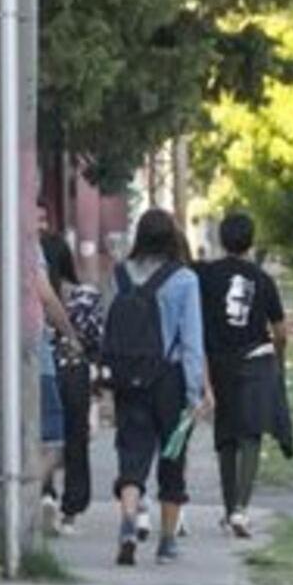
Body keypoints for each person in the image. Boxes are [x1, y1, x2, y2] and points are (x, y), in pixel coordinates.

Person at [104, 209, 206, 566]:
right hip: (170, 380)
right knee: (172, 457)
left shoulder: (118, 274)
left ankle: (129, 524)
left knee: (131, 452)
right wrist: (196, 394)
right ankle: (166, 542)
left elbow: (108, 325)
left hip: (128, 378)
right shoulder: (184, 280)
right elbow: (192, 342)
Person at [197, 213, 291, 539]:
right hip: (255, 360)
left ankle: (227, 509)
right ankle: (240, 509)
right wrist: (278, 358)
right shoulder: (262, 279)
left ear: (222, 240)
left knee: (226, 437)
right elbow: (280, 330)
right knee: (251, 433)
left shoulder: (205, 275)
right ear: (251, 241)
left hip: (219, 362)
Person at [41, 235, 102, 533]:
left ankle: (44, 492)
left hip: (42, 367)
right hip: (75, 371)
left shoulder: (28, 291)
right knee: (76, 437)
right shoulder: (84, 297)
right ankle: (71, 508)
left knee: (43, 435)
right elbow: (95, 340)